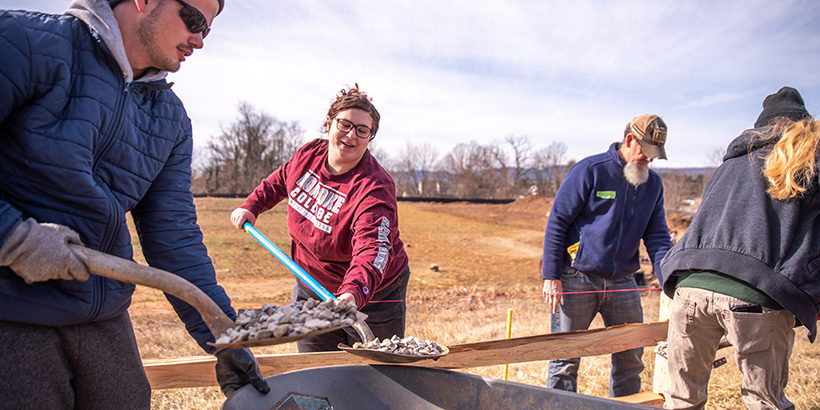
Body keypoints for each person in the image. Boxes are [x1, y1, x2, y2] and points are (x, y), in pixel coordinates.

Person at [0, 0, 270, 408]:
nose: (198, 39)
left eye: (207, 30)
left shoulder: (170, 119)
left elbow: (174, 238)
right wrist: (13, 236)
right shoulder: (24, 42)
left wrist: (223, 335)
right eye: (193, 19)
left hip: (103, 317)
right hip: (14, 310)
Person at [660, 86, 819, 410]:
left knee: (681, 401)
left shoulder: (732, 162)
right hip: (756, 292)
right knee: (764, 402)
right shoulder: (807, 158)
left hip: (690, 288)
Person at [231, 84, 411, 352]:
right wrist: (252, 206)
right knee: (315, 366)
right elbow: (280, 180)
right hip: (311, 284)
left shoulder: (374, 188)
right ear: (329, 123)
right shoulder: (309, 154)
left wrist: (353, 293)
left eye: (363, 130)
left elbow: (373, 249)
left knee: (373, 374)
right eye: (345, 124)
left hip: (371, 295)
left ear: (370, 138)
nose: (351, 135)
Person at [540, 114, 673, 397]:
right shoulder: (591, 170)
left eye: (654, 156)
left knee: (630, 357)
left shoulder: (653, 185)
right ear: (629, 140)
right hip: (577, 278)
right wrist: (551, 276)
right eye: (646, 153)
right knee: (565, 358)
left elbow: (658, 237)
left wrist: (670, 282)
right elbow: (558, 221)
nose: (649, 160)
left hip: (624, 281)